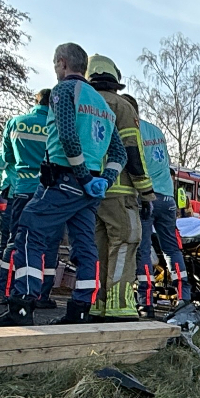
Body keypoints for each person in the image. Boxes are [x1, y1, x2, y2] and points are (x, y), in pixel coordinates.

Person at [0, 42, 126, 326]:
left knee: (28, 233)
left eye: (54, 64)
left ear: (62, 63)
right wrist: (103, 179)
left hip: (64, 179)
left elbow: (67, 136)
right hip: (89, 190)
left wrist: (83, 175)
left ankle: (22, 306)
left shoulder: (64, 91)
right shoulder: (103, 105)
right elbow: (119, 154)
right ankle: (80, 310)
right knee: (85, 246)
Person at [80, 56, 144, 320]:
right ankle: (119, 304)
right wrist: (146, 190)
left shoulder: (83, 104)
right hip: (120, 190)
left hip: (89, 189)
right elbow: (132, 150)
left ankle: (98, 302)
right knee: (126, 240)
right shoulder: (122, 105)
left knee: (97, 246)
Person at [0, 90, 53, 305]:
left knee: (15, 240)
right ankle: (39, 294)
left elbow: (7, 156)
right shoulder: (56, 124)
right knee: (45, 243)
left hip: (22, 187)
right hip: (48, 190)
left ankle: (5, 290)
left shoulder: (16, 122)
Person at [132, 106, 188, 309]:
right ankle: (184, 296)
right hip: (167, 198)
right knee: (172, 249)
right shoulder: (156, 131)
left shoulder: (132, 129)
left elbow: (135, 163)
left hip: (146, 196)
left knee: (144, 250)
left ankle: (145, 301)